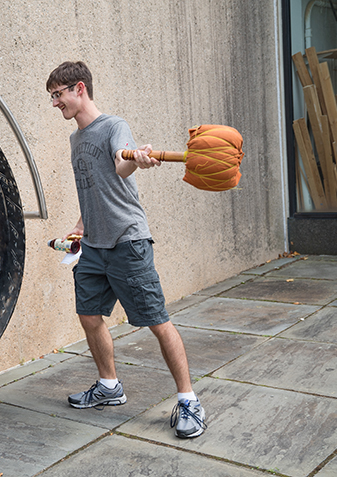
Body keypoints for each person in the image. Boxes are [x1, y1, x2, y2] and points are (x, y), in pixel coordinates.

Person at [46, 61, 206, 438]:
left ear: (79, 88)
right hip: (94, 245)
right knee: (88, 316)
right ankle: (109, 386)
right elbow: (93, 186)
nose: (55, 103)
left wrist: (139, 159)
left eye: (58, 94)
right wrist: (82, 224)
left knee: (157, 321)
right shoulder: (75, 140)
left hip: (127, 242)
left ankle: (188, 400)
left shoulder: (113, 126)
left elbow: (121, 163)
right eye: (52, 96)